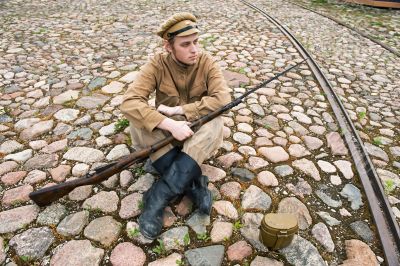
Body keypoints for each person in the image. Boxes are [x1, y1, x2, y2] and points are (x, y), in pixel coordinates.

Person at [120, 12, 231, 240]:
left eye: (196, 42)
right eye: (186, 44)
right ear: (168, 46)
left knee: (216, 122)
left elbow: (223, 100)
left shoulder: (206, 62)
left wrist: (180, 111)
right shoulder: (157, 64)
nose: (194, 50)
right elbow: (129, 102)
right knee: (137, 122)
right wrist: (168, 123)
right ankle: (194, 184)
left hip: (194, 134)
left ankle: (158, 196)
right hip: (166, 136)